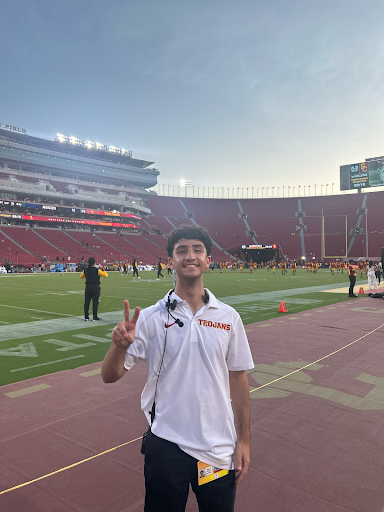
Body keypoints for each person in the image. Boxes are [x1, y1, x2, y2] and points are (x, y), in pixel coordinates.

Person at [101, 225, 254, 512]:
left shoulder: (229, 318)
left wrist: (243, 440)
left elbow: (239, 378)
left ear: (209, 260)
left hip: (217, 449)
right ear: (170, 260)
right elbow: (109, 377)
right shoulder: (149, 317)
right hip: (165, 446)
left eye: (197, 250)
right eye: (181, 250)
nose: (190, 256)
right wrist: (118, 347)